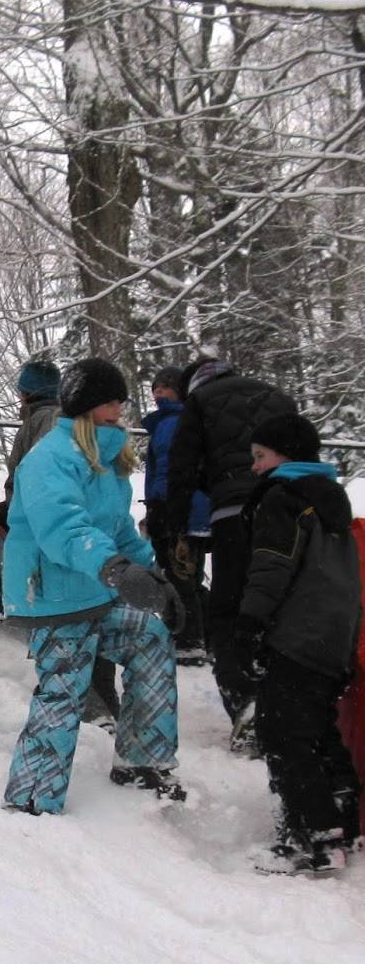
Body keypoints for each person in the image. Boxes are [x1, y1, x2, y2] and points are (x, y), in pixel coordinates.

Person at [2, 358, 185, 816]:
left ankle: (142, 760)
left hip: (95, 591)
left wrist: (156, 578)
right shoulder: (49, 459)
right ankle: (31, 798)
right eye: (109, 403)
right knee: (65, 686)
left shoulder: (105, 461)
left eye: (120, 402)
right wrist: (117, 572)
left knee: (150, 635)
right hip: (52, 597)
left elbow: (120, 530)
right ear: (85, 407)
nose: (118, 411)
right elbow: (64, 530)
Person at [235, 414, 361, 873]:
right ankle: (346, 821)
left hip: (297, 632)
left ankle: (313, 839)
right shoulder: (331, 500)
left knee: (282, 732)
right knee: (317, 728)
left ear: (286, 456)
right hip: (333, 637)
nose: (254, 468)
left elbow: (272, 565)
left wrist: (250, 622)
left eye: (260, 457)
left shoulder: (282, 499)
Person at [166, 356, 295, 733]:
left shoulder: (200, 402)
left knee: (229, 609)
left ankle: (246, 702)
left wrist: (179, 530)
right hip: (290, 514)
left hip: (235, 514)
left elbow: (182, 468)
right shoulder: (276, 396)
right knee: (284, 605)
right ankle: (292, 700)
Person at [141, 365, 210, 665]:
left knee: (178, 575)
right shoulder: (186, 420)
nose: (158, 392)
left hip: (176, 511)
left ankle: (188, 639)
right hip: (193, 513)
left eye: (165, 387)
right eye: (155, 386)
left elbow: (169, 470)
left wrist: (159, 506)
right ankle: (204, 634)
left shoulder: (172, 423)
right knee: (190, 575)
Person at [0, 359, 61, 516]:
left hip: (33, 514)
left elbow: (39, 475)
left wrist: (17, 508)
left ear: (27, 393)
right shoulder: (36, 419)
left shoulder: (47, 420)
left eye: (21, 391)